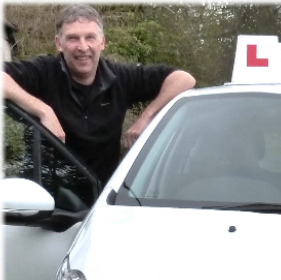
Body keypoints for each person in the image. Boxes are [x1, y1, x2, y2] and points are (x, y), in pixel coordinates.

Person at [0, 2, 195, 185]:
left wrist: (147, 116)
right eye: (73, 38)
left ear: (102, 42)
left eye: (90, 37)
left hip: (102, 199)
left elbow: (184, 79)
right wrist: (43, 110)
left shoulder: (121, 77)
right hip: (47, 200)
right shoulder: (43, 72)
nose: (83, 47)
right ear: (59, 43)